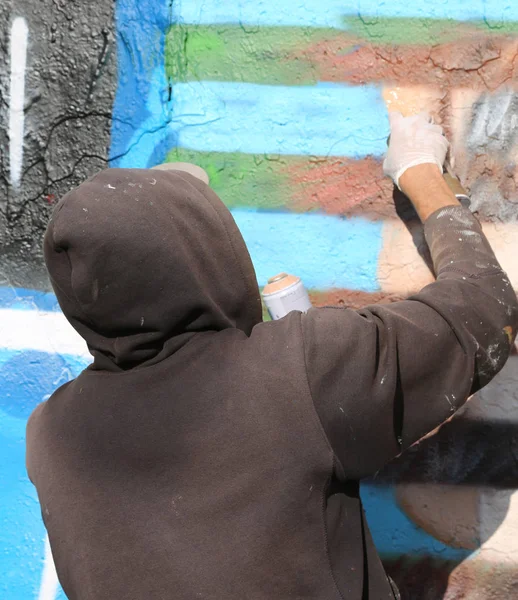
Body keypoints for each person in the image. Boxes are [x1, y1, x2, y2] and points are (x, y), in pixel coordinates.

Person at [26, 113, 518, 600]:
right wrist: (419, 172)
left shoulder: (49, 434)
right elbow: (484, 308)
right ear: (202, 257)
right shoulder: (293, 372)